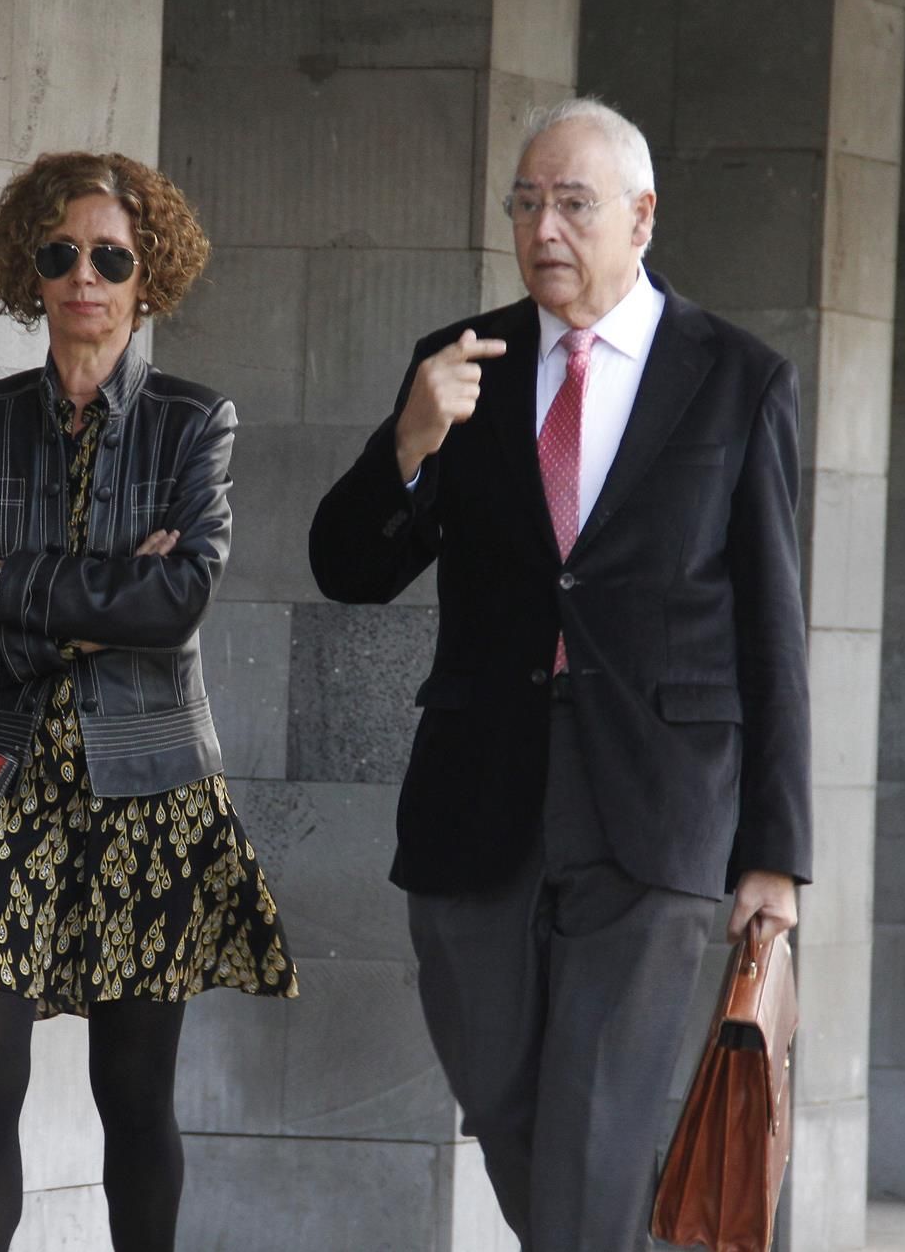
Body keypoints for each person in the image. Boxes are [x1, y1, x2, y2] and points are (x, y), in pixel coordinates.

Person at [308, 97, 810, 1250]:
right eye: (525, 203)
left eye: (572, 204)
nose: (544, 228)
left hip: (658, 805)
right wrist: (406, 446)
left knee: (594, 1122)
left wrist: (775, 852)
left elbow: (771, 631)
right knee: (504, 1104)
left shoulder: (735, 379)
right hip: (481, 796)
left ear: (640, 218)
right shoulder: (461, 366)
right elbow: (345, 570)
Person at [0, 150, 297, 1252]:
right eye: (60, 253)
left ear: (145, 273)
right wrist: (94, 600)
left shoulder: (190, 422)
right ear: (28, 273)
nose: (84, 274)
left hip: (147, 797)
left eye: (110, 256)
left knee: (135, 1105)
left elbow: (173, 603)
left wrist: (11, 586)